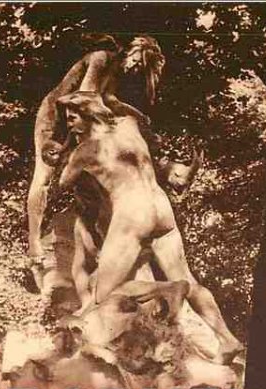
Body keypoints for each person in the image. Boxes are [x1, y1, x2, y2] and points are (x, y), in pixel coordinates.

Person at [56, 91, 242, 364]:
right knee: (189, 280)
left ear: (89, 115)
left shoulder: (85, 151)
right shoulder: (129, 126)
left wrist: (65, 146)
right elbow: (139, 116)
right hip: (161, 207)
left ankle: (167, 289)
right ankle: (226, 339)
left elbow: (62, 183)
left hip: (132, 211)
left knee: (104, 294)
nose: (69, 123)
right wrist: (112, 102)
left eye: (73, 117)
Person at [27, 36, 165, 281]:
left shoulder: (115, 70)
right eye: (136, 61)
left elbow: (109, 100)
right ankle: (34, 242)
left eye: (140, 69)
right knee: (44, 178)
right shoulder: (101, 58)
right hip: (55, 119)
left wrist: (138, 116)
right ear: (131, 51)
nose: (134, 68)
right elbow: (83, 98)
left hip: (79, 119)